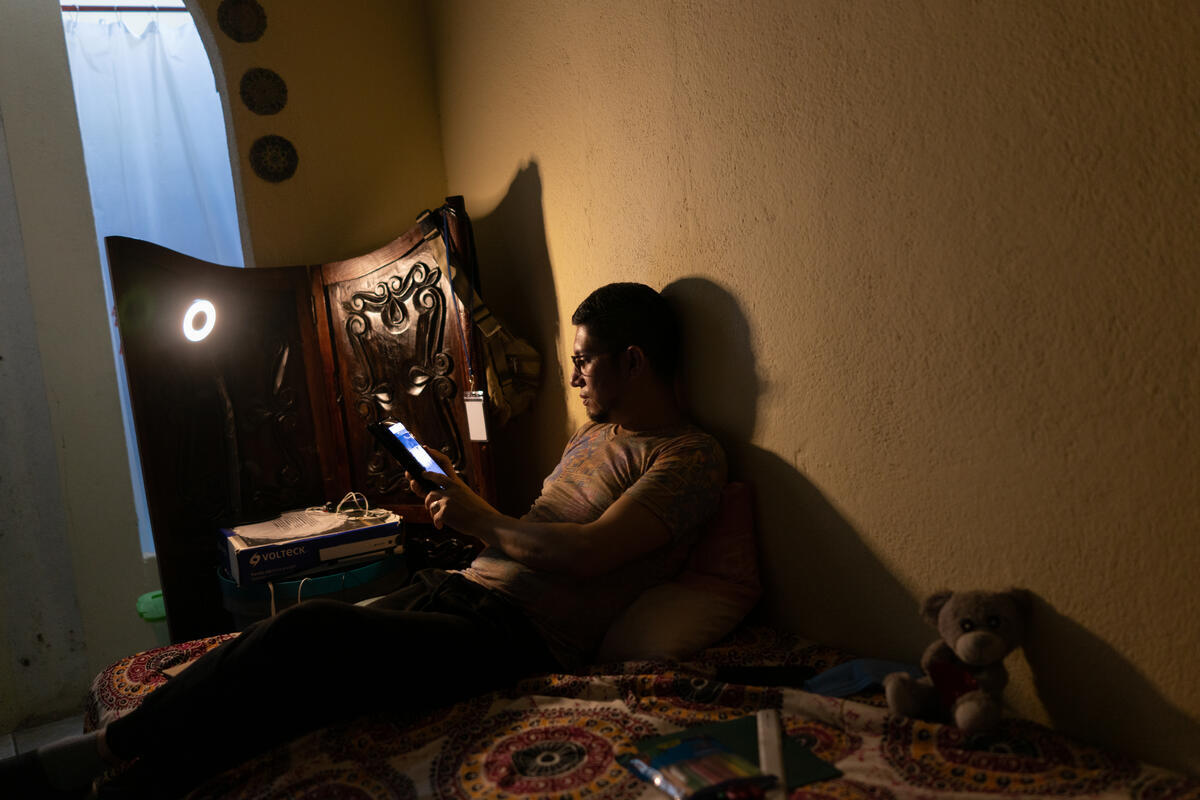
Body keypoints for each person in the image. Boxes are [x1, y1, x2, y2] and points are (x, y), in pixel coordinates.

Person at [2, 282, 726, 799]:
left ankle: (103, 751)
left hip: (520, 639)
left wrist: (480, 520)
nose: (572, 374)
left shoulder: (688, 458)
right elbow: (539, 533)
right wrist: (472, 518)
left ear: (634, 361)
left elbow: (589, 554)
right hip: (468, 588)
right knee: (294, 674)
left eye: (586, 359)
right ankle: (141, 780)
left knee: (309, 633)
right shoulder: (595, 436)